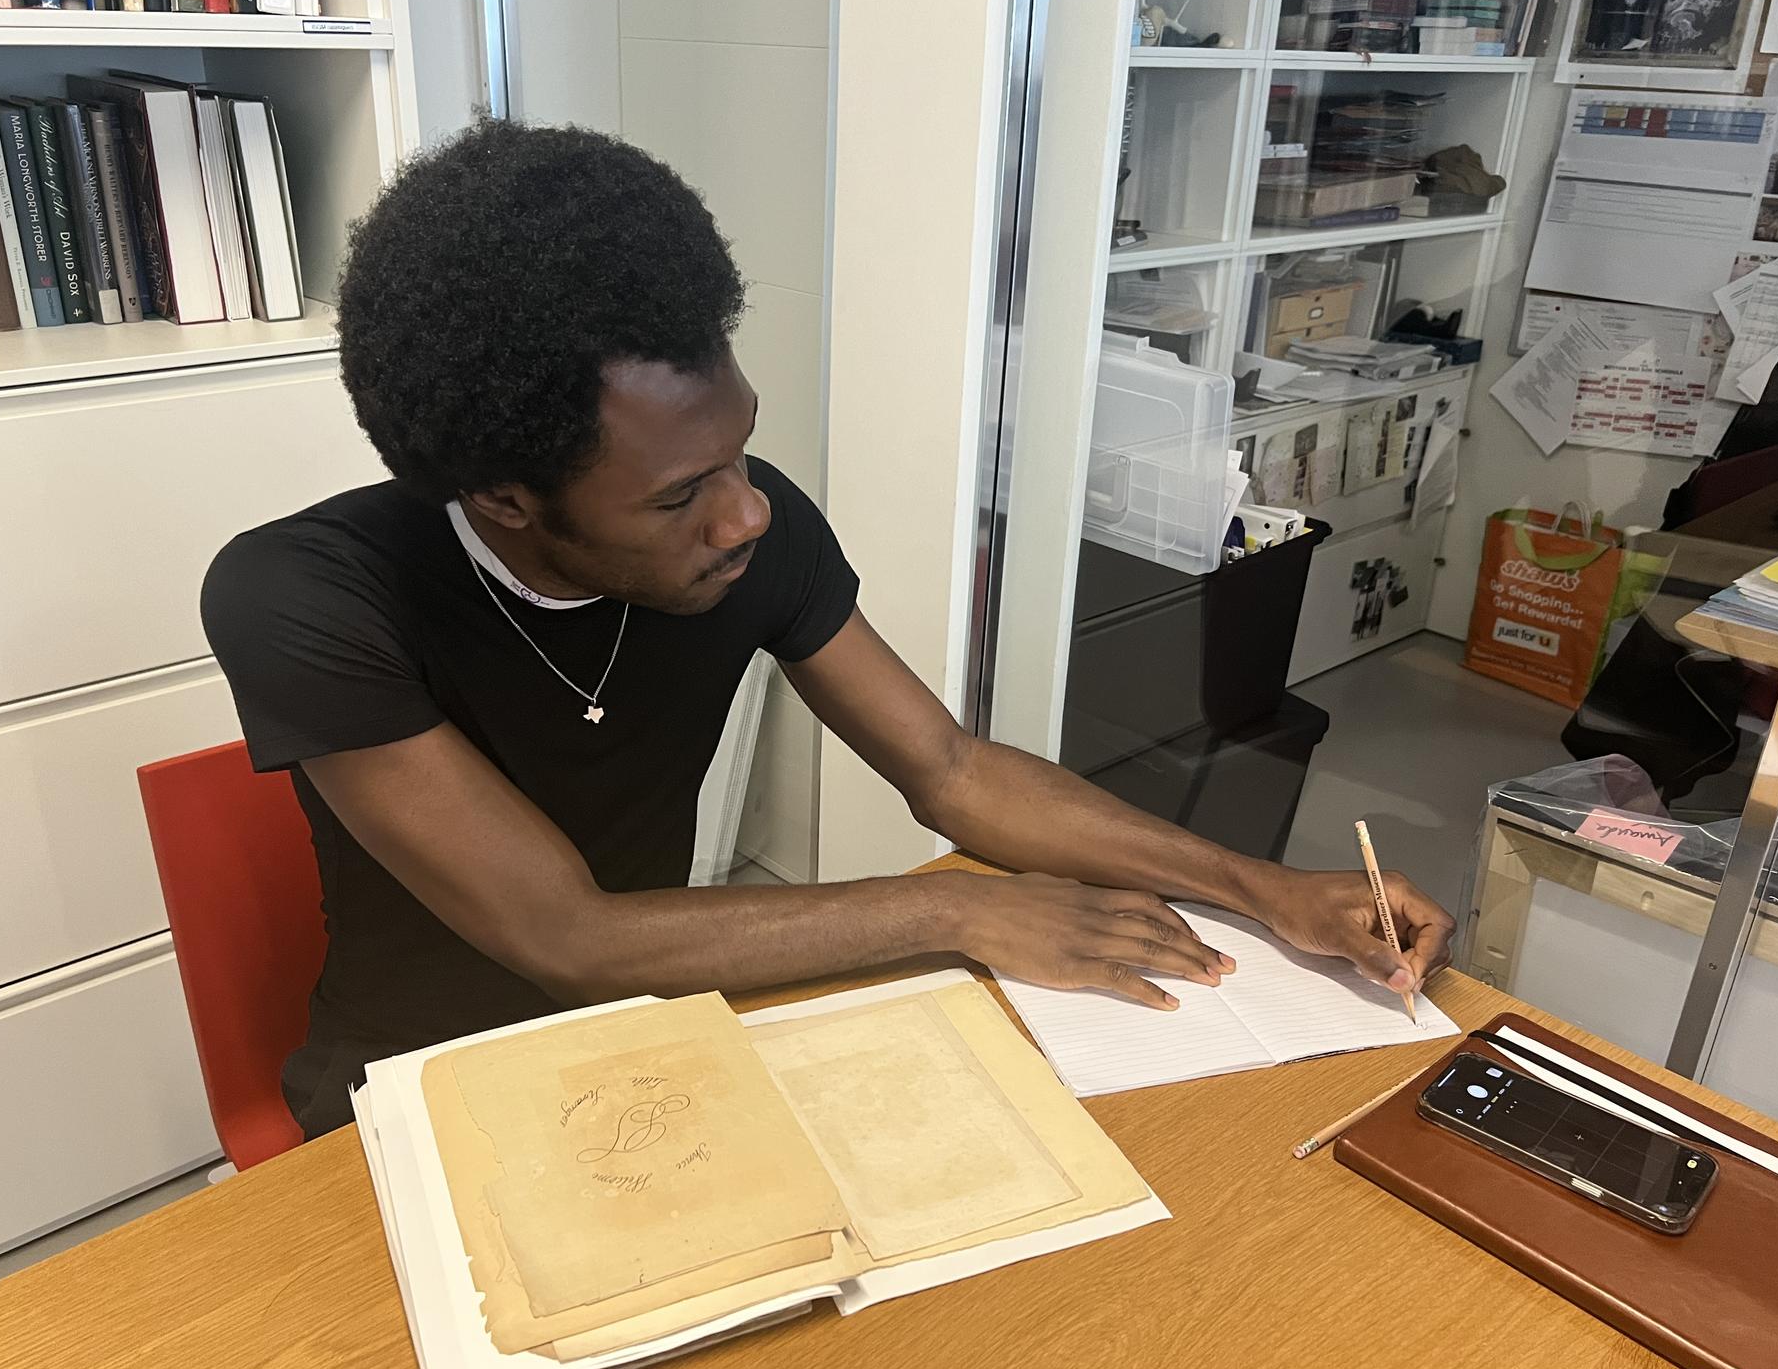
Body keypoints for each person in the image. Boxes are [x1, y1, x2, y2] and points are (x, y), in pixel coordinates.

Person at [202, 120, 1454, 1138]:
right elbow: (565, 935)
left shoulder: (746, 529)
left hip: (658, 1046)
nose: (744, 513)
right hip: (418, 1096)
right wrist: (955, 912)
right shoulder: (305, 598)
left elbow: (951, 773)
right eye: (679, 495)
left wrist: (1265, 887)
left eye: (738, 450)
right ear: (506, 503)